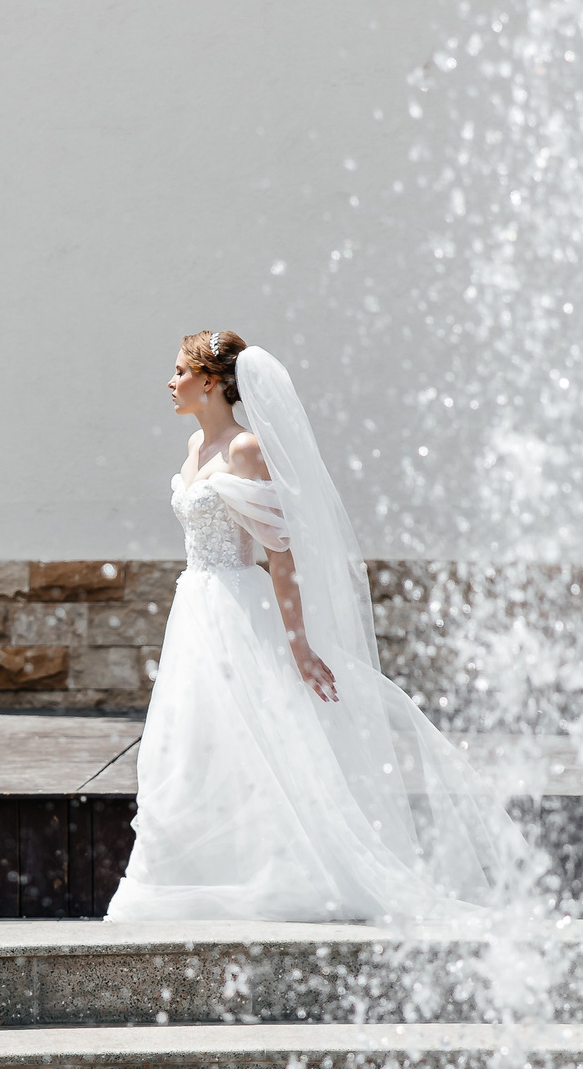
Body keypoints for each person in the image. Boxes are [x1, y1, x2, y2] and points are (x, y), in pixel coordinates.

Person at [106, 331, 518, 921]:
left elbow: (281, 554)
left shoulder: (245, 450)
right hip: (195, 608)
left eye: (179, 372)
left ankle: (285, 877)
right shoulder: (195, 446)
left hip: (236, 608)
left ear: (212, 381)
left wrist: (298, 645)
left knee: (262, 739)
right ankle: (189, 877)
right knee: (190, 744)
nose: (169, 383)